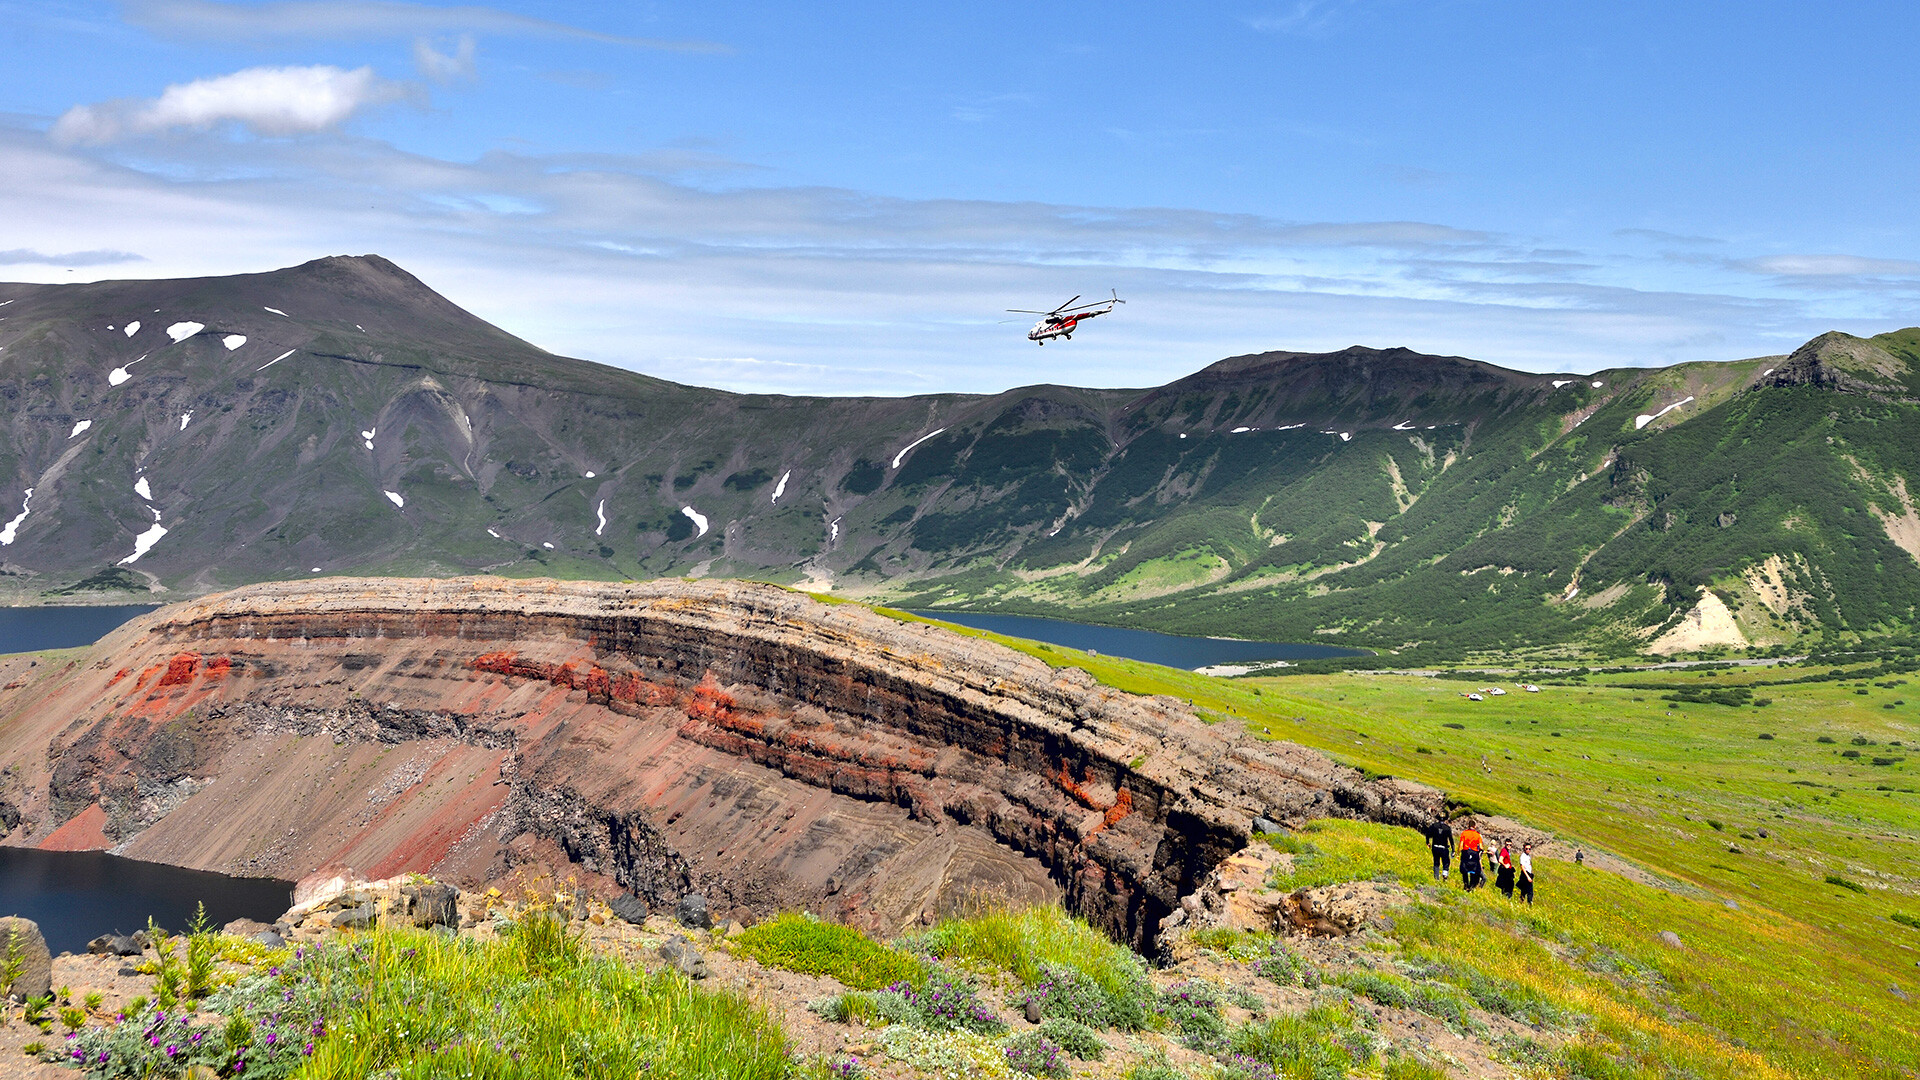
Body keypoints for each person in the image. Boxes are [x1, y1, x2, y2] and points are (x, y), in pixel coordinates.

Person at [1426, 817, 1454, 882]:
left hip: (1435, 846)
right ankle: (1444, 875)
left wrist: (1427, 842)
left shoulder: (1434, 826)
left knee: (1436, 862)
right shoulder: (1447, 828)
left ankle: (1436, 878)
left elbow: (1428, 834)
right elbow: (1451, 839)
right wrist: (1453, 849)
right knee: (1446, 862)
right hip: (1444, 847)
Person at [1457, 821, 1484, 890]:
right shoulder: (1477, 835)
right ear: (1475, 826)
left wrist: (1458, 853)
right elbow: (1481, 847)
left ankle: (1466, 884)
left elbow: (1461, 845)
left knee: (1464, 869)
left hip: (1466, 852)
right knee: (1473, 870)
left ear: (1468, 826)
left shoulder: (1464, 833)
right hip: (1474, 852)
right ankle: (1471, 886)